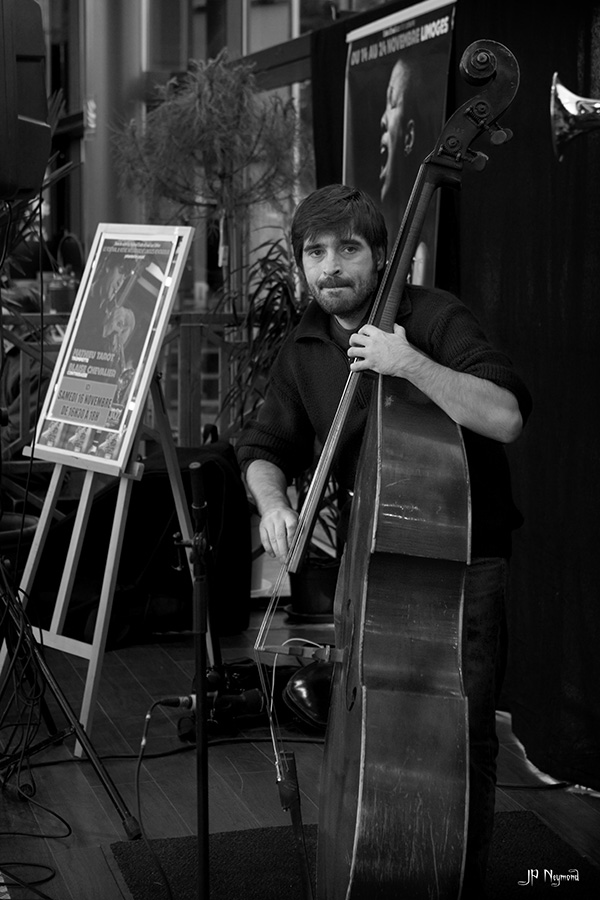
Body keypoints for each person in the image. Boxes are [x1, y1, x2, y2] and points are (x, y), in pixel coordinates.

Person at [235, 184, 532, 897]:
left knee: (463, 735)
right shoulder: (308, 341)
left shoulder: (433, 317)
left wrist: (410, 364)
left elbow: (505, 416)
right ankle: (379, 860)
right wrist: (273, 503)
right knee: (376, 720)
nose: (331, 267)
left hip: (461, 563)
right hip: (370, 563)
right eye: (315, 253)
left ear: (379, 255)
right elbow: (263, 446)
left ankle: (458, 879)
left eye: (348, 249)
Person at [379, 56, 440, 284]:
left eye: (392, 104)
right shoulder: (389, 240)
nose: (382, 119)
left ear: (409, 138)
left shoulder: (421, 251)